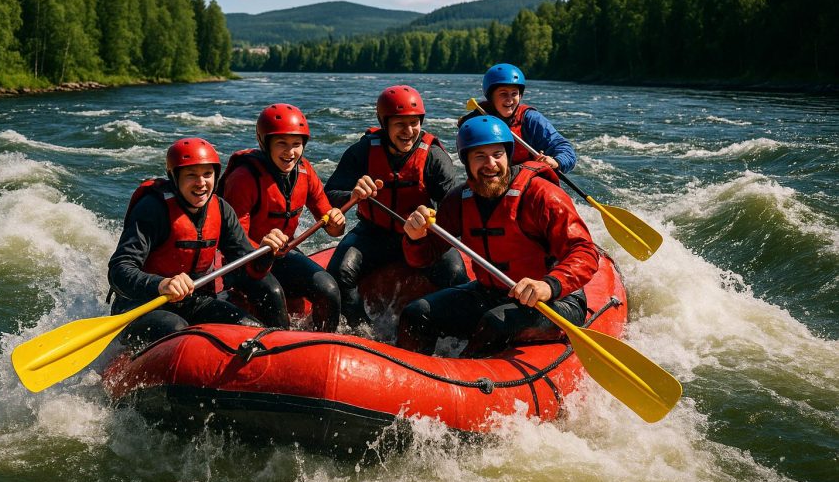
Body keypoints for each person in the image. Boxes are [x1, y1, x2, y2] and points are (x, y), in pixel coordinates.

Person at [396, 116, 598, 357]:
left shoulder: (543, 196)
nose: (490, 164)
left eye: (497, 154)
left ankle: (463, 382)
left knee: (495, 323)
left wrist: (548, 285)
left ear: (508, 156)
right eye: (479, 156)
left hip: (555, 301)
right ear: (467, 161)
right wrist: (415, 238)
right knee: (416, 314)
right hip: (490, 292)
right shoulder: (458, 201)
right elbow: (423, 258)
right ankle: (414, 378)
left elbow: (585, 252)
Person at [107, 137, 288, 349]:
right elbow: (118, 270)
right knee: (178, 331)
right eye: (191, 175)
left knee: (252, 330)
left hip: (195, 300)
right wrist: (161, 284)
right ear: (174, 178)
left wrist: (265, 253)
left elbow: (246, 269)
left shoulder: (221, 209)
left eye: (207, 175)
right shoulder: (152, 209)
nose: (201, 183)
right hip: (144, 305)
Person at [325, 85, 469, 326]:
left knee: (455, 274)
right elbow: (329, 195)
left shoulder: (434, 157)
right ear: (385, 124)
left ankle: (453, 332)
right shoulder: (362, 151)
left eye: (414, 123)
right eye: (400, 124)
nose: (408, 131)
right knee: (339, 273)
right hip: (372, 233)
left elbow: (452, 210)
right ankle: (359, 331)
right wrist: (353, 195)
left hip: (420, 238)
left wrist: (431, 219)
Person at [219, 103, 345, 332]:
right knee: (273, 293)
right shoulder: (243, 178)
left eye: (296, 144)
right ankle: (280, 350)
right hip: (244, 261)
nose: (290, 152)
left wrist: (337, 221)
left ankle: (323, 344)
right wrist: (262, 248)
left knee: (328, 288)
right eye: (282, 144)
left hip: (282, 255)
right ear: (264, 143)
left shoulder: (305, 171)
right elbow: (235, 244)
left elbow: (332, 229)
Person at [459, 63, 576, 172]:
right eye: (503, 93)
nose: (509, 99)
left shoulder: (531, 119)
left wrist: (556, 162)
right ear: (490, 97)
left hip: (526, 177)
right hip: (492, 176)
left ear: (520, 96)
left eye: (514, 93)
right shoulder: (478, 119)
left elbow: (564, 149)